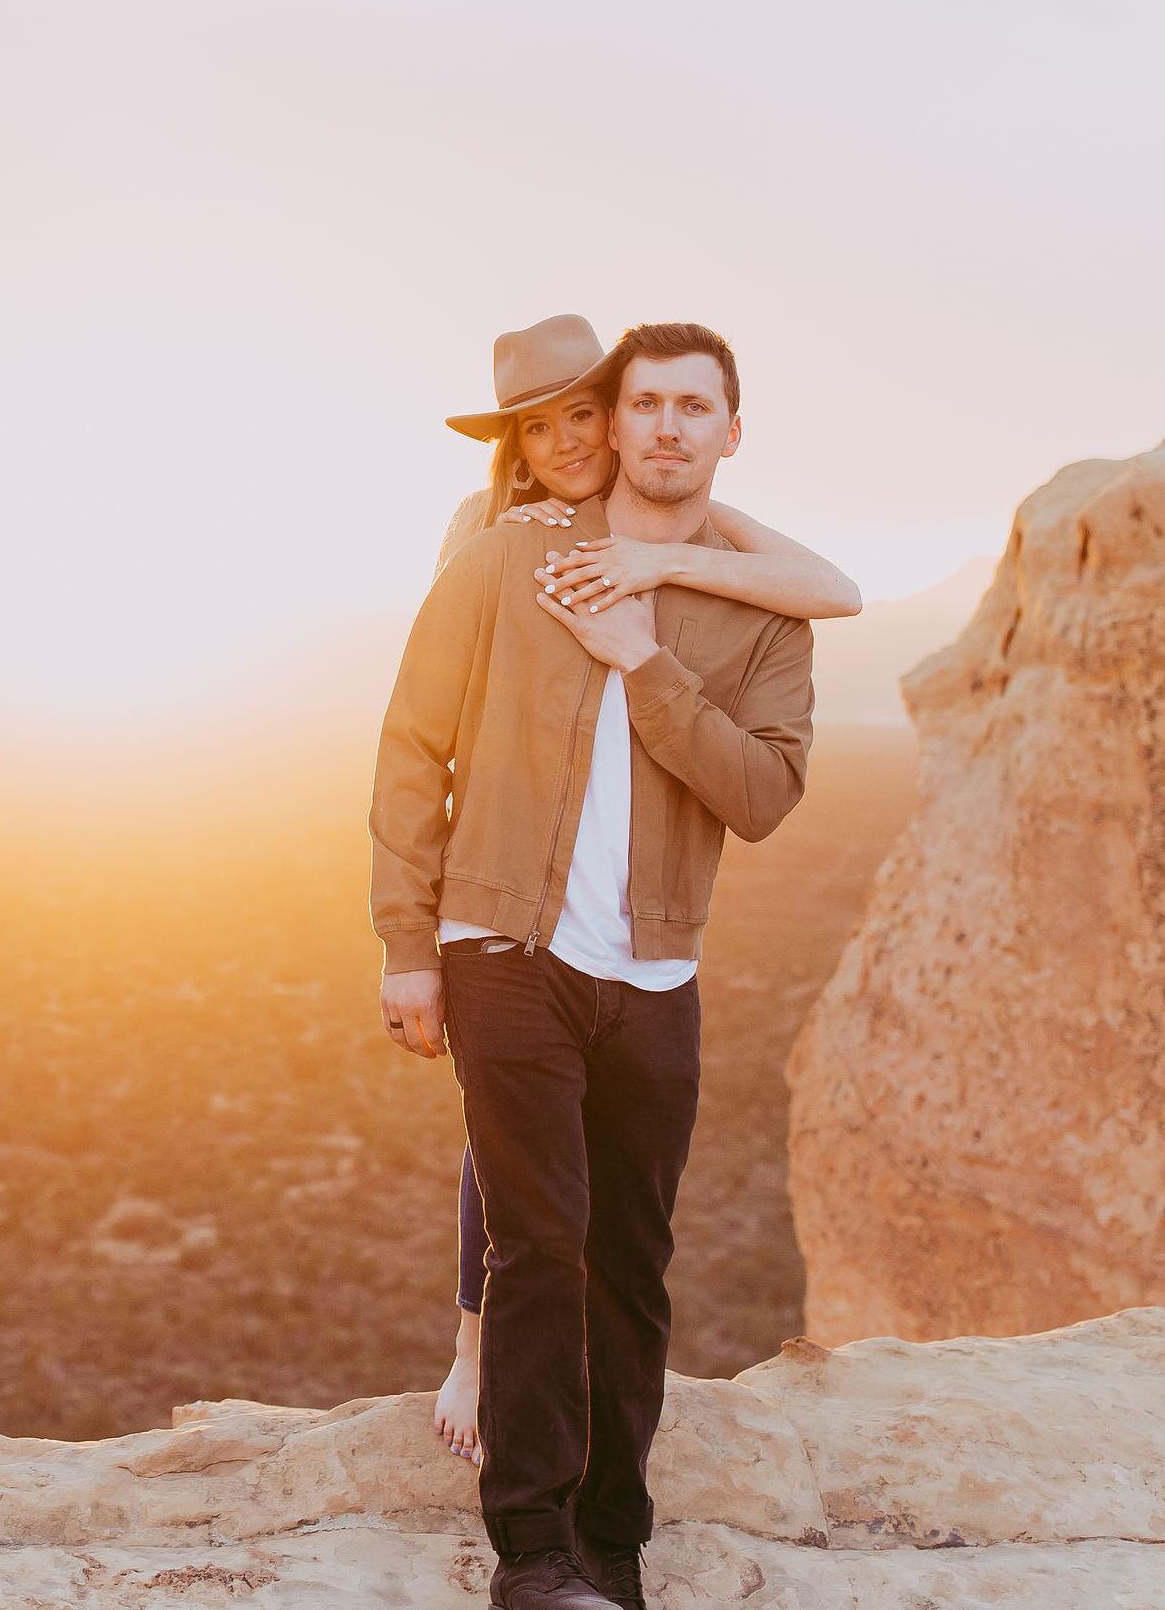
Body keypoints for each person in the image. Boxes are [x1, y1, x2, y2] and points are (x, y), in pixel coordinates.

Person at [371, 315, 828, 1609]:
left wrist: (648, 663)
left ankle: (612, 1546)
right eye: (648, 405)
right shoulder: (504, 559)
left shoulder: (758, 612)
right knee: (540, 1239)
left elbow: (764, 793)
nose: (665, 427)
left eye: (697, 407)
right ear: (615, 421)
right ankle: (529, 1551)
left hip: (655, 975)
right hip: (504, 944)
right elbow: (410, 746)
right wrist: (408, 942)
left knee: (632, 1259)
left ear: (728, 433)